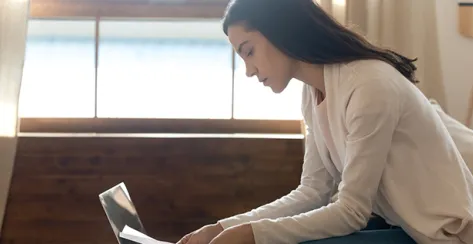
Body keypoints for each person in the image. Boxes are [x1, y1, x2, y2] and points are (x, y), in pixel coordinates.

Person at [177, 0, 473, 243]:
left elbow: (351, 211)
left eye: (249, 51)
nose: (249, 71)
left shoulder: (369, 85)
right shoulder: (313, 92)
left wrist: (252, 234)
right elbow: (314, 191)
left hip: (444, 235)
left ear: (280, 30)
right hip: (403, 228)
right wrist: (223, 227)